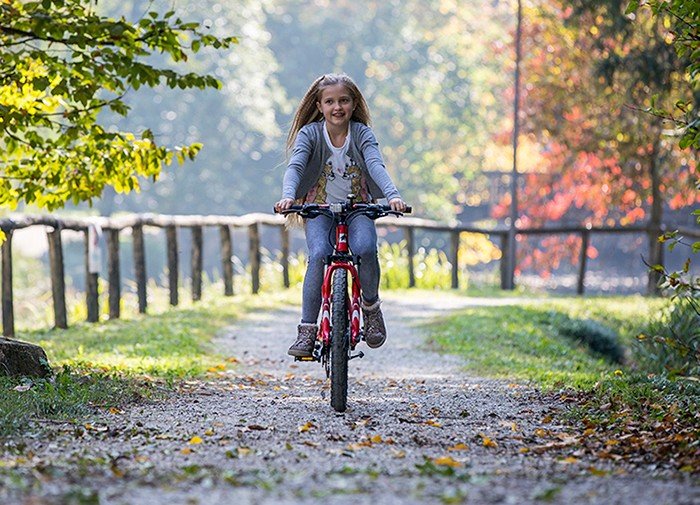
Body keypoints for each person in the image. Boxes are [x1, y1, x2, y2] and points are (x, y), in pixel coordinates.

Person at [274, 73, 406, 358]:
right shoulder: (309, 134)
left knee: (366, 248)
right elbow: (296, 166)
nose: (337, 107)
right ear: (319, 105)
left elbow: (375, 163)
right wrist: (288, 195)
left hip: (358, 207)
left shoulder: (361, 134)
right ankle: (307, 330)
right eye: (330, 101)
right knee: (319, 253)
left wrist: (393, 195)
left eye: (344, 101)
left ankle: (371, 309)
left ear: (353, 103)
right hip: (319, 208)